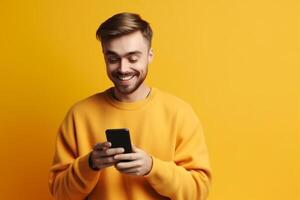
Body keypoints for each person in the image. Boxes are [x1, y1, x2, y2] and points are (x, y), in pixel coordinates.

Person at [48, 12, 212, 200]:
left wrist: (151, 167)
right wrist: (90, 164)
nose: (123, 68)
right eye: (113, 59)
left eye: (133, 58)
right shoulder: (79, 115)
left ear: (150, 56)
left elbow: (199, 191)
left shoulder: (180, 114)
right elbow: (60, 194)